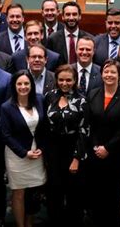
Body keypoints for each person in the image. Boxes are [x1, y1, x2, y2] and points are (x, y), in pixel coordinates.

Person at [86, 59, 120, 226]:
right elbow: (88, 124)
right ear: (101, 74)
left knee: (113, 196)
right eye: (106, 71)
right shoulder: (93, 94)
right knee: (95, 196)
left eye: (113, 72)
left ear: (119, 74)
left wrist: (108, 148)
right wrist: (96, 146)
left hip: (116, 156)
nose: (109, 75)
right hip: (95, 155)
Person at [0, 71, 47, 227]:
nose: (23, 86)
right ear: (14, 86)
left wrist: (41, 147)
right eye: (19, 83)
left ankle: (30, 223)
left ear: (31, 85)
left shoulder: (40, 100)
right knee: (18, 193)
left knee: (34, 192)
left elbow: (45, 127)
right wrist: (24, 152)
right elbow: (5, 135)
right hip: (17, 156)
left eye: (26, 83)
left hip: (37, 153)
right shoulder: (7, 107)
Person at [44, 65, 88, 226]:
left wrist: (77, 158)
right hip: (53, 151)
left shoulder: (82, 100)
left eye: (68, 80)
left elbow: (84, 130)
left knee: (73, 195)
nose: (65, 83)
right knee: (54, 193)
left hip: (73, 150)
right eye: (61, 79)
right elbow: (44, 126)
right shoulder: (49, 97)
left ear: (75, 80)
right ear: (56, 80)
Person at [46, 1, 92, 65]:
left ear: (80, 16)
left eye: (74, 14)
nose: (71, 18)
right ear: (63, 17)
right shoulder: (53, 39)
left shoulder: (90, 39)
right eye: (68, 14)